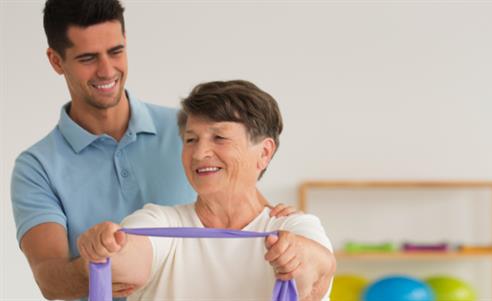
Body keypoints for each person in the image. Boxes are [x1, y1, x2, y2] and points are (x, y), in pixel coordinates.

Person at [10, 1, 294, 299]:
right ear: (56, 61)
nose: (107, 70)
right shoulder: (36, 167)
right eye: (88, 58)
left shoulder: (188, 132)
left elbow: (242, 193)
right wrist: (99, 264)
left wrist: (277, 217)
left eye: (116, 51)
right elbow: (49, 279)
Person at [77, 80, 336, 300]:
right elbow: (124, 264)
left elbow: (316, 272)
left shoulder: (295, 229)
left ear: (264, 153)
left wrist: (296, 259)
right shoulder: (161, 221)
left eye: (219, 138)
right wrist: (104, 247)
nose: (199, 153)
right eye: (191, 139)